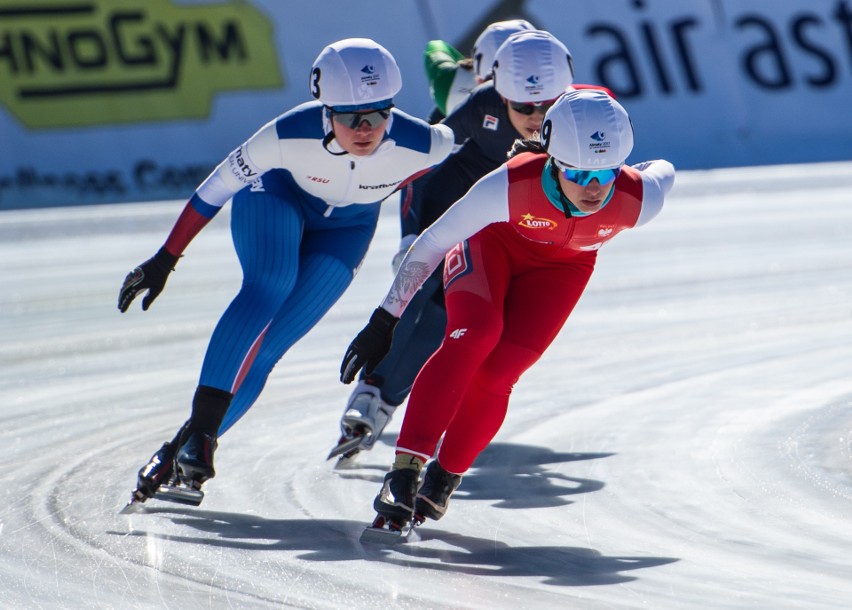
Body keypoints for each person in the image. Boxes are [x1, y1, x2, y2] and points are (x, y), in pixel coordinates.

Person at [117, 38, 454, 507]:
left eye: (379, 114)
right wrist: (166, 257)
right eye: (352, 117)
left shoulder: (426, 144)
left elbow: (475, 167)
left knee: (268, 348)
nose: (367, 129)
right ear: (324, 110)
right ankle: (203, 436)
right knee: (269, 285)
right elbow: (215, 189)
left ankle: (186, 446)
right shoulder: (285, 134)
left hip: (350, 227)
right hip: (276, 196)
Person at [339, 88, 675, 529]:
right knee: (474, 336)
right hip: (492, 247)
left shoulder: (640, 199)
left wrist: (619, 164)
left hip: (562, 269)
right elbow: (434, 242)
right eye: (579, 174)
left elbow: (664, 170)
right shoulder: (511, 184)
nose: (594, 190)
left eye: (606, 175)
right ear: (554, 161)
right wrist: (385, 321)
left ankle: (444, 477)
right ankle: (403, 473)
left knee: (500, 373)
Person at [332, 29, 611, 462]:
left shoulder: (589, 108)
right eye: (522, 106)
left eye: (548, 105)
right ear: (497, 92)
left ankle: (384, 398)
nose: (536, 117)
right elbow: (420, 161)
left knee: (451, 314)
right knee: (420, 283)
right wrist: (408, 232)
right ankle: (375, 388)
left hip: (503, 213)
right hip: (459, 192)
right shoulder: (473, 101)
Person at [423, 19, 535, 123]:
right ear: (480, 80)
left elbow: (434, 47)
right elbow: (434, 47)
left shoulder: (451, 87)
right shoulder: (450, 86)